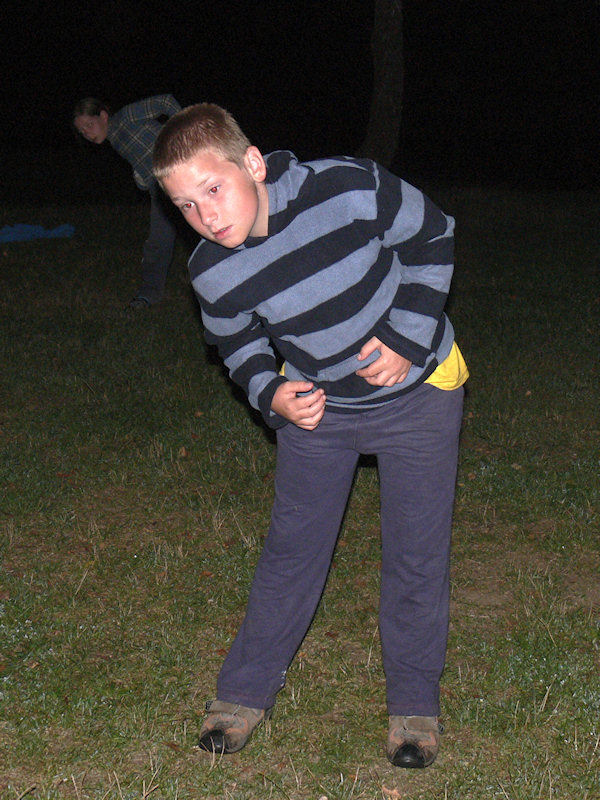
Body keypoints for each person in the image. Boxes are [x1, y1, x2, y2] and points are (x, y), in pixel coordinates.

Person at [152, 103, 468, 768]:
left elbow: (433, 234)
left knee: (415, 554)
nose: (206, 216)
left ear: (252, 164)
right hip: (320, 413)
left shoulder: (347, 188)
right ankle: (242, 693)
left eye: (214, 189)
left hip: (419, 397)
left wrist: (407, 336)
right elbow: (235, 342)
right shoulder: (212, 269)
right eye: (186, 206)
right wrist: (269, 391)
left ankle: (414, 703)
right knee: (291, 552)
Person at [73, 95, 182, 308]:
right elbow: (142, 157)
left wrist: (185, 132)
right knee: (158, 241)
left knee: (208, 226)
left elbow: (166, 102)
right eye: (82, 131)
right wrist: (141, 177)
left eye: (89, 125)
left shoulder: (125, 117)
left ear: (103, 116)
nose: (87, 133)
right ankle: (148, 295)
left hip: (181, 171)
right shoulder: (115, 139)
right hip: (160, 188)